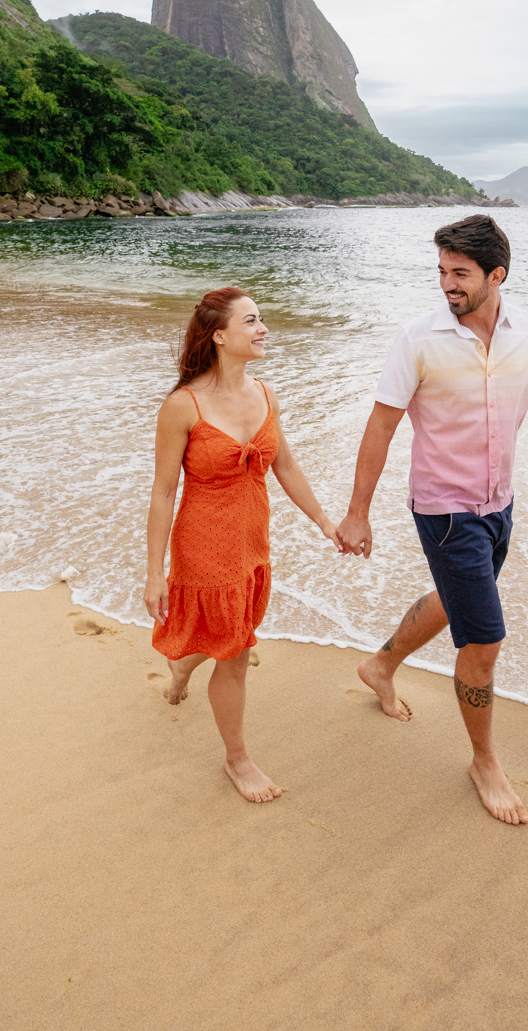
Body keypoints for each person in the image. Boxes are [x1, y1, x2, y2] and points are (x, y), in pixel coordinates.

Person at [336, 215, 528, 825]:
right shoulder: (418, 339)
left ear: (496, 275)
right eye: (441, 271)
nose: (447, 283)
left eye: (460, 273)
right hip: (444, 510)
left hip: (500, 504)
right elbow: (382, 425)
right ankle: (484, 762)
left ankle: (380, 665)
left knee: (459, 603)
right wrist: (357, 512)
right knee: (484, 640)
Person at [144, 286, 342, 803]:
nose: (263, 329)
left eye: (261, 319)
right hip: (204, 547)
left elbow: (286, 465)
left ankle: (182, 665)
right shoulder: (182, 406)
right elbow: (163, 492)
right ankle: (237, 760)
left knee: (230, 637)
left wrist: (325, 522)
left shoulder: (265, 393)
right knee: (234, 653)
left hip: (253, 541)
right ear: (219, 336)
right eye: (251, 321)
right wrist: (154, 572)